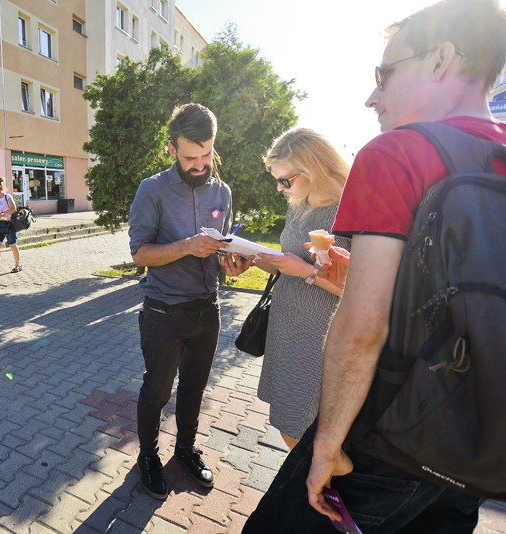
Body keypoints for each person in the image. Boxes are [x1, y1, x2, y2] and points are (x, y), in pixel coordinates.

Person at [243, 0, 506, 531]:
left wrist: (327, 444)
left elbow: (363, 329)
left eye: (384, 74)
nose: (371, 96)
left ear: (441, 59)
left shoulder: (396, 154)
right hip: (477, 442)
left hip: (391, 436)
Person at [128, 103, 253, 500]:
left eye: (206, 154)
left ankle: (184, 450)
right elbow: (140, 254)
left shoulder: (223, 191)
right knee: (157, 391)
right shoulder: (153, 189)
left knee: (195, 389)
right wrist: (187, 246)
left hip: (207, 308)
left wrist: (230, 266)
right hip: (164, 311)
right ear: (171, 149)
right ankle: (147, 457)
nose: (200, 164)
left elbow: (217, 252)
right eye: (189, 157)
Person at [252, 128, 350, 451]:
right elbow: (288, 263)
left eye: (286, 180)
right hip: (286, 330)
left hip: (318, 338)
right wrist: (256, 259)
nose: (280, 188)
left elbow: (358, 291)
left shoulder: (349, 212)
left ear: (313, 169)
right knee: (286, 423)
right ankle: (307, 491)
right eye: (277, 180)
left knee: (303, 431)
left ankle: (317, 495)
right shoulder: (299, 204)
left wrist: (307, 272)